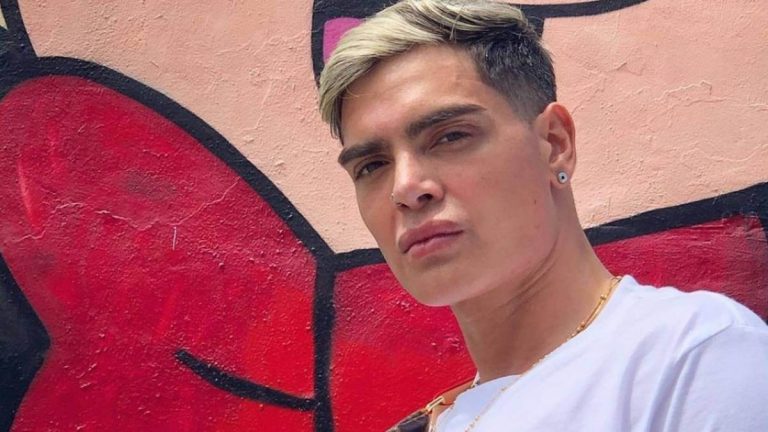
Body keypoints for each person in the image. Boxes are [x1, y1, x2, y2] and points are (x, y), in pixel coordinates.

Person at [317, 0, 768, 430]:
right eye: (372, 166)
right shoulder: (447, 418)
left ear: (554, 144)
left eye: (451, 137)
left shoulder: (692, 359)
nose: (405, 188)